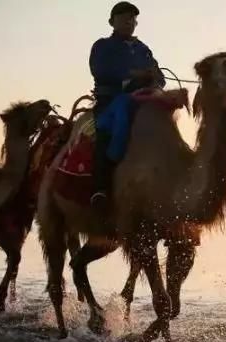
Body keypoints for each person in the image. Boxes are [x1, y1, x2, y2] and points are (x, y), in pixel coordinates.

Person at [89, 1, 165, 212]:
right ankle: (101, 188)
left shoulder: (144, 50)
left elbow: (160, 76)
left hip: (143, 101)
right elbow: (100, 70)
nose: (128, 20)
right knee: (109, 129)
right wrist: (133, 76)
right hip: (111, 101)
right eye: (123, 17)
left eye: (132, 17)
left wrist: (154, 80)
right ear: (112, 21)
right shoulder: (103, 46)